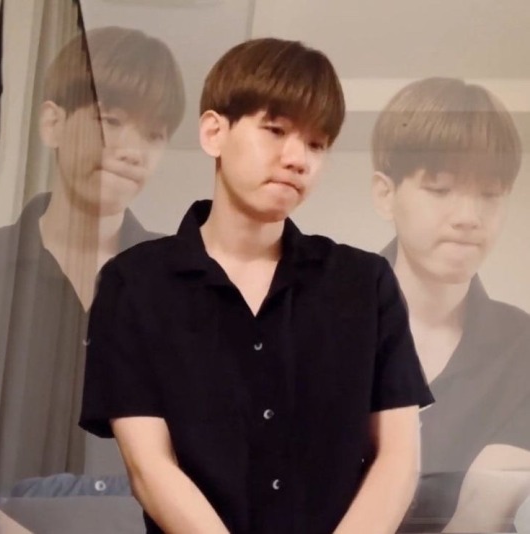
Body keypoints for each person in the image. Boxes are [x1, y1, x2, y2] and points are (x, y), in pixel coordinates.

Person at [80, 37, 433, 534]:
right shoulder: (135, 284)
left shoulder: (364, 283)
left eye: (316, 144)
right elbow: (149, 467)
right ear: (214, 132)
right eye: (276, 130)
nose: (298, 159)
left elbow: (398, 459)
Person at [0, 25, 185, 497]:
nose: (132, 151)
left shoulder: (187, 280)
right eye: (111, 121)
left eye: (154, 135)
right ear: (52, 123)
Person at [370, 77, 530, 532]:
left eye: (490, 194)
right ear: (385, 194)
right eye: (440, 189)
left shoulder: (522, 347)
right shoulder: (317, 322)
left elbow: (483, 511)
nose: (468, 218)